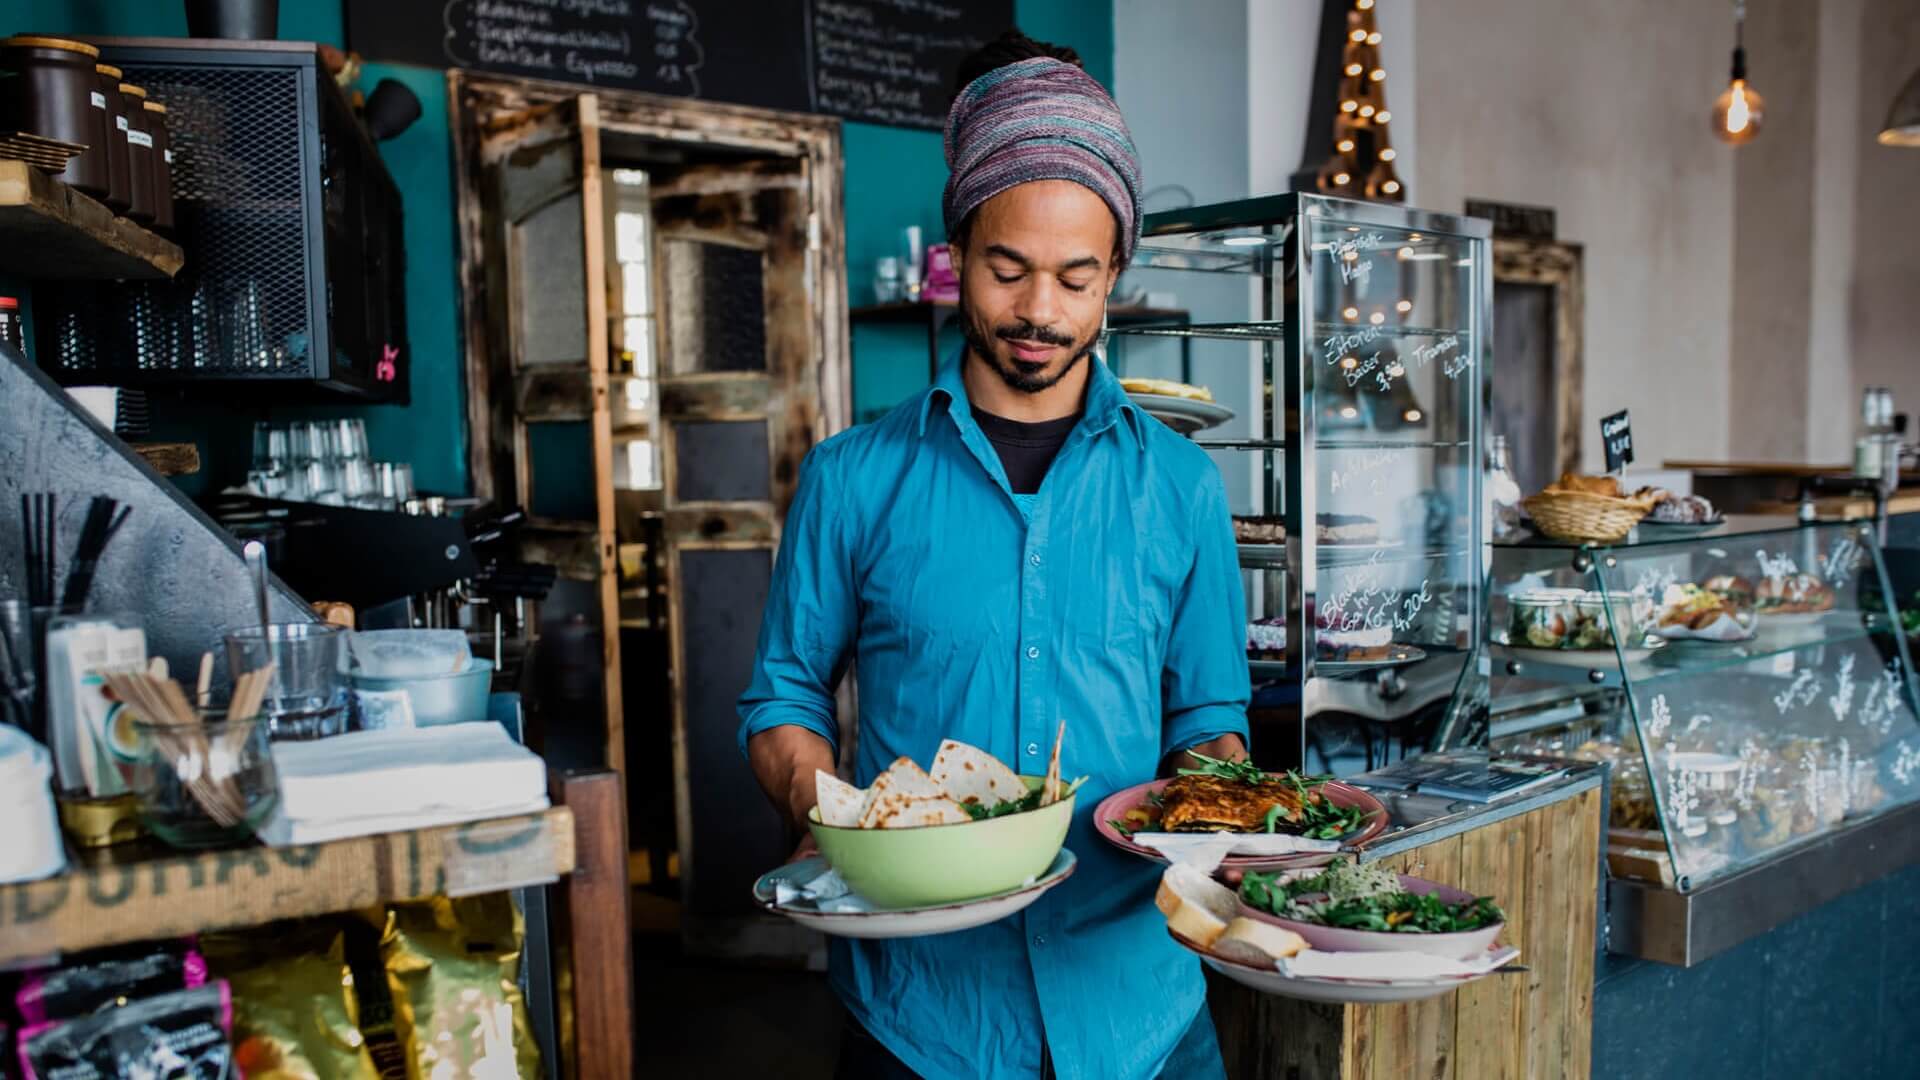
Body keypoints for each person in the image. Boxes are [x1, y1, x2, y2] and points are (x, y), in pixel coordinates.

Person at [738, 29, 1250, 1080]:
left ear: (1115, 274)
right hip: (923, 1019)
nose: (1039, 312)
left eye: (1076, 277)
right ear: (958, 253)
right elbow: (783, 696)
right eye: (1008, 268)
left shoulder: (1183, 489)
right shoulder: (852, 478)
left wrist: (1224, 815)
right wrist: (824, 811)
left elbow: (1207, 719)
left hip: (1140, 1011)